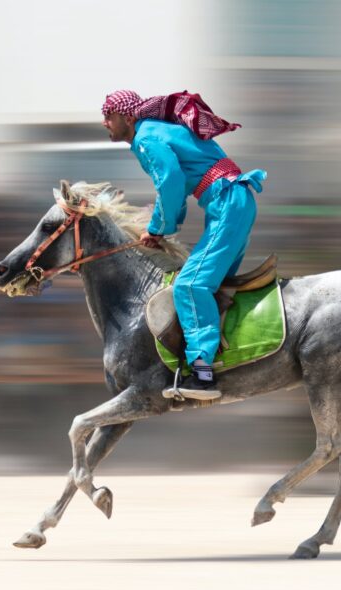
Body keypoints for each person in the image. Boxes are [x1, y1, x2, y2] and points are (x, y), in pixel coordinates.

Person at [101, 90, 266, 400]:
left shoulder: (146, 139)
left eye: (108, 115)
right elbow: (173, 187)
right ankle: (226, 358)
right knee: (212, 287)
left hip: (228, 203)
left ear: (127, 117)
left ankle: (203, 375)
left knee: (189, 287)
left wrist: (158, 228)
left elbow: (171, 183)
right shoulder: (156, 132)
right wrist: (162, 228)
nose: (104, 121)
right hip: (231, 202)